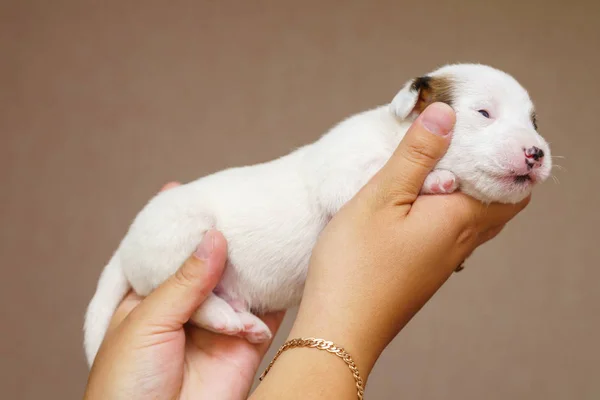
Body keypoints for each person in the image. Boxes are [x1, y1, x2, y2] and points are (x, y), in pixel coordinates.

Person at [83, 103, 529, 400]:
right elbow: (341, 196)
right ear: (413, 104)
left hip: (244, 293)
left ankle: (209, 305)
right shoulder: (361, 138)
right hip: (179, 226)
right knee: (177, 222)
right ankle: (205, 307)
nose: (528, 141)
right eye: (485, 113)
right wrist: (347, 328)